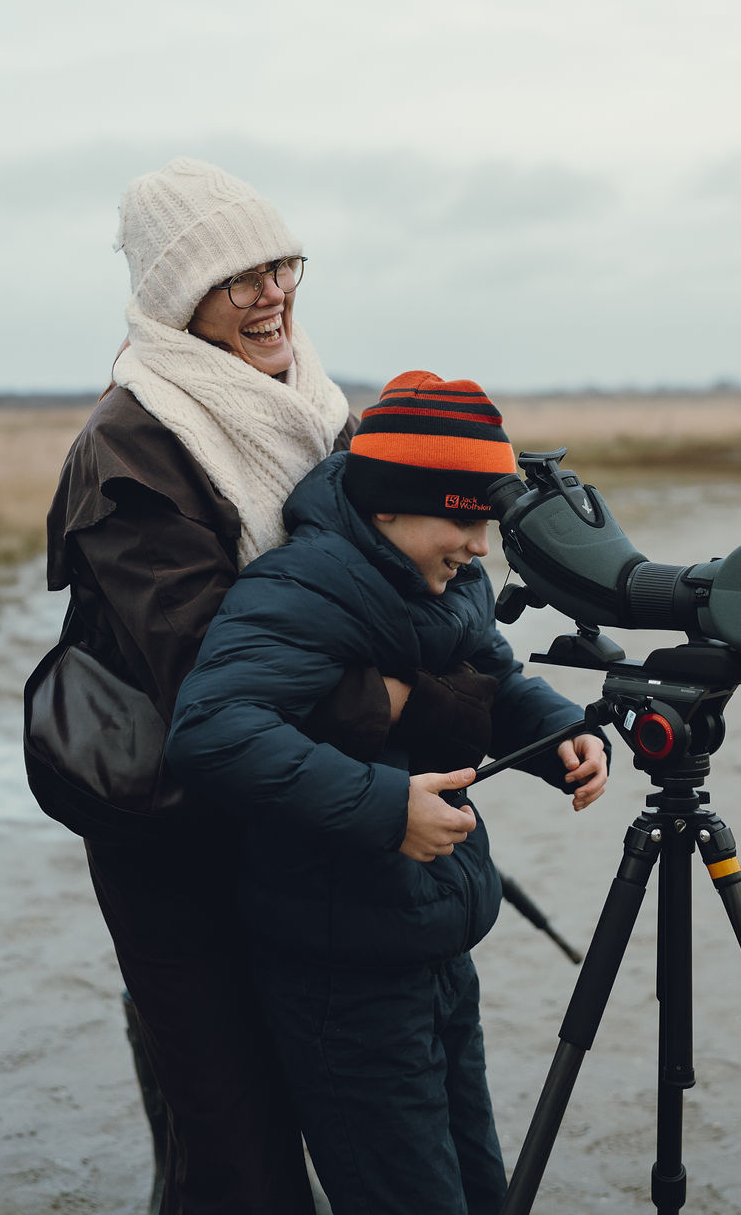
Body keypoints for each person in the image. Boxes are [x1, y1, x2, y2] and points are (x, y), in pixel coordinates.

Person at [165, 370, 610, 1215]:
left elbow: (493, 674)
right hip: (342, 974)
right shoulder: (303, 588)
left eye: (488, 520)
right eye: (464, 518)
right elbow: (212, 731)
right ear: (390, 506)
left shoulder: (448, 582)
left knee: (481, 1188)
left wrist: (562, 736)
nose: (482, 546)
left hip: (434, 942)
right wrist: (384, 807)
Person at [46, 156, 360, 1214]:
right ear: (181, 299)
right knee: (231, 1133)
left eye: (281, 263)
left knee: (293, 1099)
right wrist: (413, 707)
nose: (271, 291)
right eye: (239, 277)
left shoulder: (314, 409)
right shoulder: (131, 444)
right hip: (166, 822)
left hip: (284, 808)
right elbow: (212, 664)